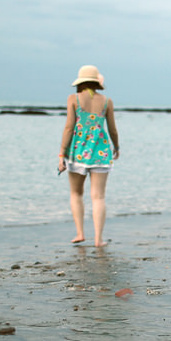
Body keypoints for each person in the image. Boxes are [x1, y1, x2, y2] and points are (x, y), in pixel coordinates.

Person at [58, 65, 119, 246]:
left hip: (78, 152)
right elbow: (112, 129)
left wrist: (62, 152)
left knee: (76, 193)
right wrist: (116, 147)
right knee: (98, 196)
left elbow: (69, 127)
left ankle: (80, 233)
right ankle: (98, 239)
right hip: (101, 152)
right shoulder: (107, 101)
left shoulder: (73, 99)